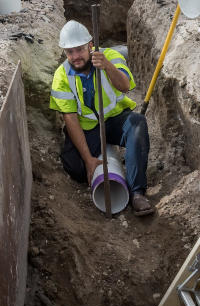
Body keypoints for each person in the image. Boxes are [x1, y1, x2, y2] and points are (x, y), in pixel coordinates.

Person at [49, 20, 155, 216]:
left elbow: (125, 86)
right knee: (76, 169)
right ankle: (95, 159)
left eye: (79, 50)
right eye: (69, 52)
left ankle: (137, 192)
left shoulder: (111, 57)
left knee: (137, 124)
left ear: (90, 45)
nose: (75, 57)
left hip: (114, 121)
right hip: (87, 128)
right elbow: (70, 119)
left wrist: (106, 66)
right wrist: (89, 159)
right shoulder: (61, 76)